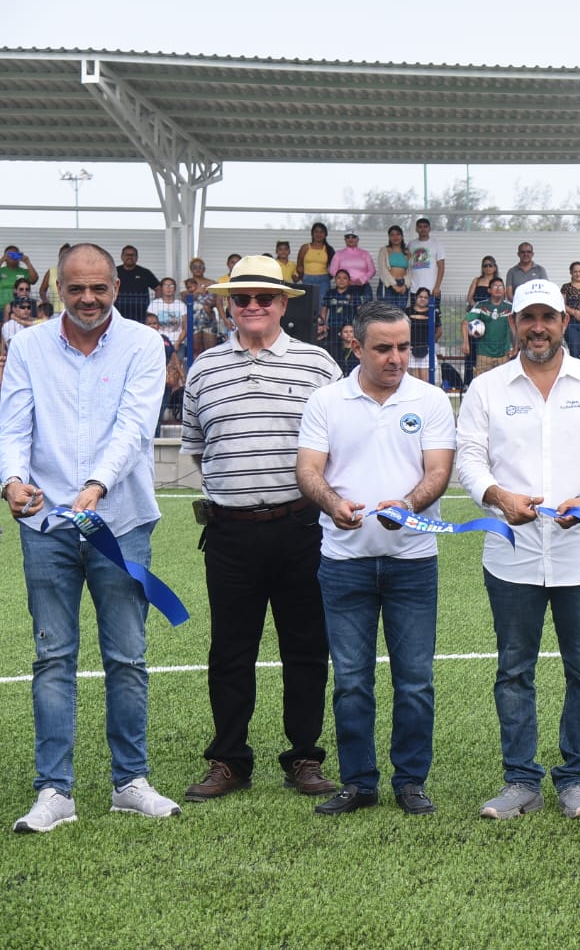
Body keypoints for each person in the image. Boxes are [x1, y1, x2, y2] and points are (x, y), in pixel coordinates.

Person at [4, 243, 178, 833]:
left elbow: (135, 425)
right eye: (75, 289)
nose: (87, 299)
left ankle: (130, 781)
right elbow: (13, 422)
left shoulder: (143, 344)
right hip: (46, 525)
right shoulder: (27, 345)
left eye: (98, 288)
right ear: (59, 290)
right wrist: (11, 481)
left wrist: (97, 485)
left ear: (115, 288)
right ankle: (55, 792)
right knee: (53, 656)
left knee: (126, 656)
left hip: (121, 520)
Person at [456, 278, 580, 821]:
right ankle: (521, 781)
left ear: (563, 322)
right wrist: (497, 496)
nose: (537, 327)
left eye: (547, 317)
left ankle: (576, 780)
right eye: (527, 317)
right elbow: (469, 458)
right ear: (514, 322)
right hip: (512, 554)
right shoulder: (487, 389)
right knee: (513, 670)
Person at [180, 255, 341, 804]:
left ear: (283, 304)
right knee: (230, 649)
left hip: (302, 528)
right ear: (228, 304)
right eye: (242, 298)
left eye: (264, 298)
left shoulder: (319, 366)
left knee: (306, 646)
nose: (253, 306)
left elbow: (338, 445)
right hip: (230, 534)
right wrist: (241, 498)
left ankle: (304, 756)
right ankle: (229, 759)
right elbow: (199, 450)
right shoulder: (204, 369)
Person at [296, 302, 457, 817]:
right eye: (383, 348)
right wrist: (332, 503)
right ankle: (359, 782)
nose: (395, 358)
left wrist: (409, 506)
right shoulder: (326, 401)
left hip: (412, 562)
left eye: (404, 347)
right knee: (350, 680)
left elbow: (438, 472)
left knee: (415, 681)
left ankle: (410, 782)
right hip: (343, 562)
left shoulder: (430, 400)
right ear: (357, 345)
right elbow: (308, 470)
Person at [463, 277, 514, 378]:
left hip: (504, 354)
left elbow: (517, 328)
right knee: (482, 386)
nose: (498, 288)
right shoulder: (481, 305)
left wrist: (516, 347)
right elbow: (465, 323)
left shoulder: (510, 307)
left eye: (501, 286)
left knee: (503, 386)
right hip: (483, 354)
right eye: (495, 286)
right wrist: (465, 343)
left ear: (504, 290)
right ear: (489, 290)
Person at [319, 270, 366, 353]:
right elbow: (324, 310)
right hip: (333, 326)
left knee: (350, 350)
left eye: (345, 278)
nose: (341, 280)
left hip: (349, 328)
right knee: (333, 350)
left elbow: (360, 311)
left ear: (349, 281)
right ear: (335, 280)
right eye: (339, 278)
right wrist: (323, 324)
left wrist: (359, 325)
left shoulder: (354, 293)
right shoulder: (330, 293)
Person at [113, 245, 159, 324]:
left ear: (137, 257)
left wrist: (154, 305)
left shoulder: (145, 272)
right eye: (127, 255)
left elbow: (158, 288)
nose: (130, 257)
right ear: (122, 257)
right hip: (118, 313)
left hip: (141, 314)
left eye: (132, 255)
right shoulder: (114, 272)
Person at [407, 218, 444, 299]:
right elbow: (407, 264)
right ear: (416, 229)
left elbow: (441, 267)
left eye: (425, 226)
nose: (423, 229)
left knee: (432, 312)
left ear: (429, 228)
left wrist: (437, 287)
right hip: (414, 288)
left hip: (432, 289)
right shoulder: (411, 244)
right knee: (415, 312)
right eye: (420, 227)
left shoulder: (437, 244)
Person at [146, 277, 186, 349]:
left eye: (171, 286)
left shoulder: (181, 305)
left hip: (177, 342)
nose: (168, 288)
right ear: (161, 288)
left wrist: (178, 342)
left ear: (175, 289)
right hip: (158, 341)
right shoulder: (154, 304)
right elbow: (149, 325)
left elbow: (185, 328)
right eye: (165, 285)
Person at [297, 223, 334, 296]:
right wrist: (303, 277)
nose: (318, 234)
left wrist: (327, 277)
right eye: (316, 232)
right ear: (312, 234)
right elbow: (299, 266)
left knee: (322, 303)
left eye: (321, 232)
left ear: (325, 234)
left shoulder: (329, 249)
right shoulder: (305, 247)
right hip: (307, 279)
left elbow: (334, 267)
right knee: (308, 303)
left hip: (323, 280)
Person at [0, 245, 40, 311]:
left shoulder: (24, 271)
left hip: (20, 307)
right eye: (10, 254)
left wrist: (27, 262)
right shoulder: (1, 270)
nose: (12, 257)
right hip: (1, 307)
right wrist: (1, 260)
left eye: (15, 254)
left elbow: (34, 280)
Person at [407, 288, 434, 381]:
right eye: (420, 297)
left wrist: (431, 342)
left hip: (426, 349)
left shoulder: (432, 311)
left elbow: (439, 330)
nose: (423, 299)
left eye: (426, 297)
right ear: (416, 297)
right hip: (410, 349)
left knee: (425, 381)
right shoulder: (407, 311)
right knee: (414, 381)